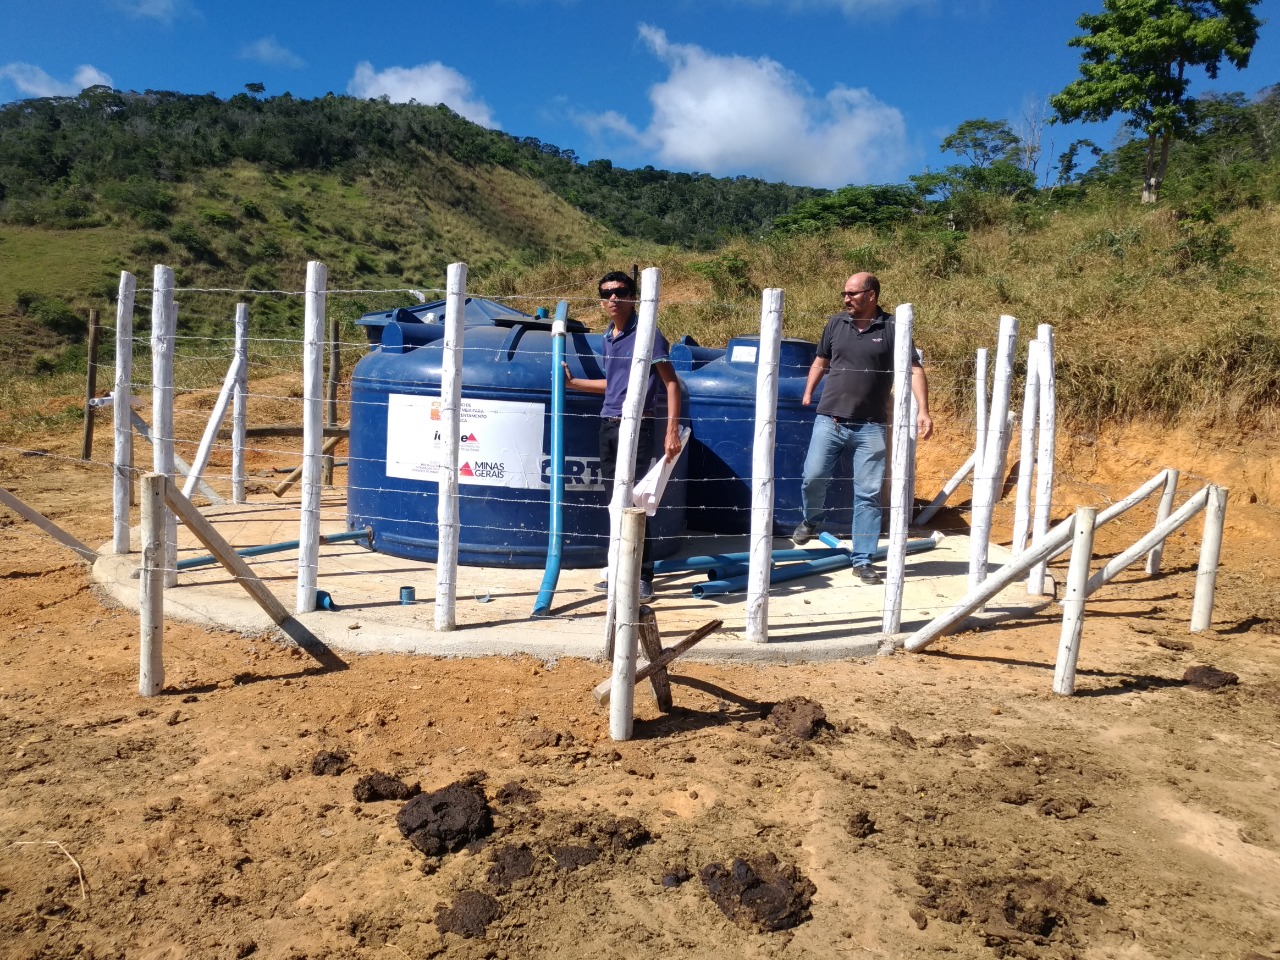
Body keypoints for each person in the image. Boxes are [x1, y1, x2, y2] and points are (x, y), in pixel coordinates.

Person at [793, 272, 933, 585]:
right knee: (812, 477)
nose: (846, 299)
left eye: (852, 294)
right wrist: (808, 390)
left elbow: (913, 369)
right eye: (844, 293)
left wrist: (923, 410)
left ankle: (863, 559)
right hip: (829, 419)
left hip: (870, 427)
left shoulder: (894, 327)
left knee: (868, 495)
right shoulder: (836, 323)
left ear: (871, 295)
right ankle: (812, 519)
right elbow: (821, 359)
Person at [563, 271, 682, 601]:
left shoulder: (648, 335)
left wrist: (670, 430)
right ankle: (619, 568)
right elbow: (613, 385)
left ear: (632, 296)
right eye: (607, 293)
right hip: (608, 423)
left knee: (634, 503)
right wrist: (576, 384)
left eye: (620, 291)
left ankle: (643, 576)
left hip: (637, 425)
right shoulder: (608, 337)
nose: (613, 298)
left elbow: (671, 383)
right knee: (616, 502)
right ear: (601, 301)